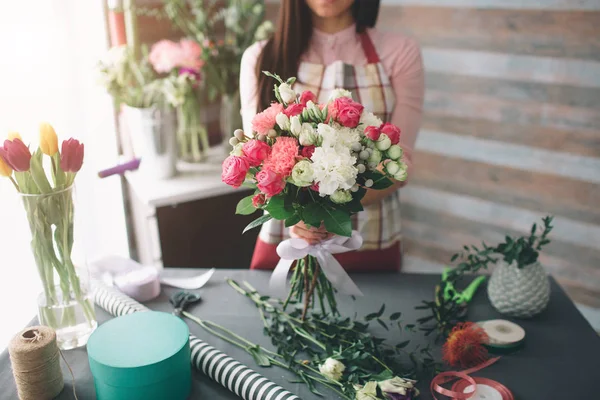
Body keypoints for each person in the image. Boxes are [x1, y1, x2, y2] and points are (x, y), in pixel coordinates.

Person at [240, 0, 424, 271]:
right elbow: (255, 157)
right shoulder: (261, 56)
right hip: (289, 241)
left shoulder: (399, 52)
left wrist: (331, 212)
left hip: (369, 240)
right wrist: (303, 216)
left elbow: (400, 162)